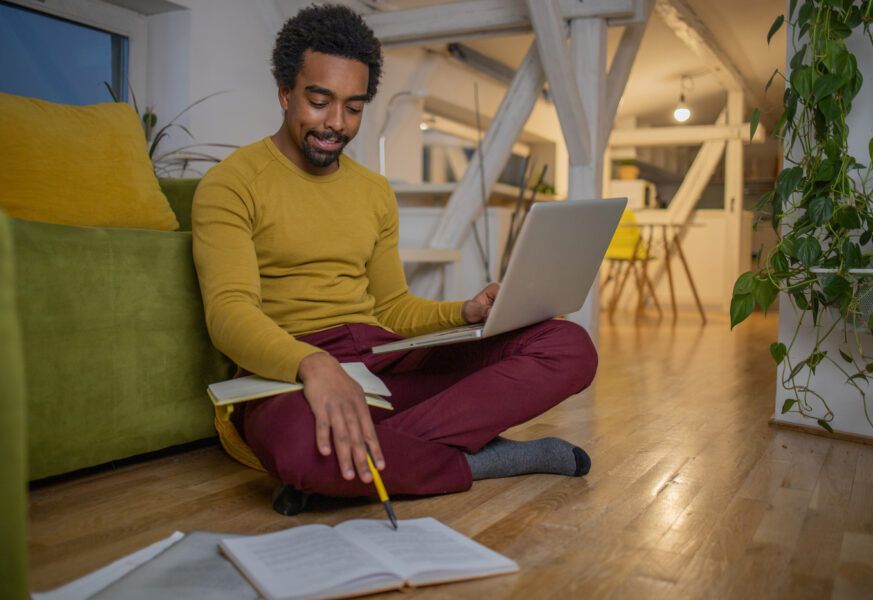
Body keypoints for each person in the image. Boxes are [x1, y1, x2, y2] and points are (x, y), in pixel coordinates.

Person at [192, 4, 598, 505]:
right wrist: (313, 365)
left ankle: (363, 460)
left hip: (382, 363)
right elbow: (229, 312)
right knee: (301, 447)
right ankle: (483, 459)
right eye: (319, 101)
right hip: (290, 374)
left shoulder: (373, 191)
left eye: (354, 107)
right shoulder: (230, 184)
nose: (335, 124)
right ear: (284, 93)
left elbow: (392, 309)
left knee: (567, 346)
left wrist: (465, 312)